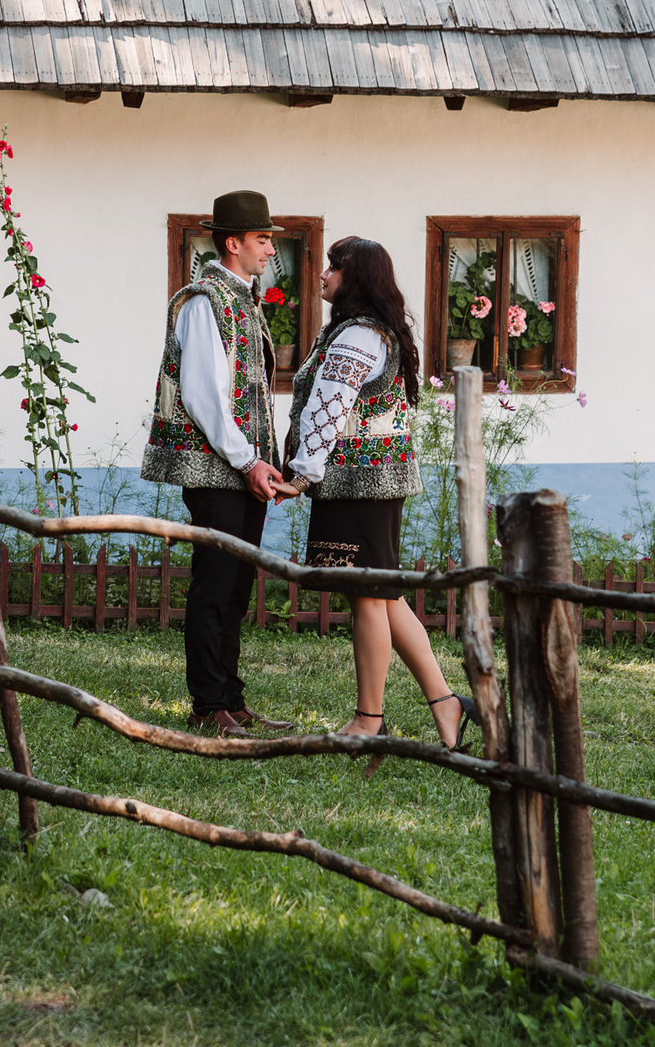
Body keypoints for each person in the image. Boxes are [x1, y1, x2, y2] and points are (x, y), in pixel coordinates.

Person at [286, 236, 477, 747]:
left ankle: (369, 719)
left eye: (334, 267)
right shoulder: (370, 332)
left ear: (358, 279)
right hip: (373, 480)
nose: (324, 275)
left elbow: (329, 406)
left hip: (358, 482)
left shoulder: (357, 336)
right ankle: (446, 703)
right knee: (384, 595)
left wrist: (302, 472)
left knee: (369, 598)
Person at [138, 189, 298, 737]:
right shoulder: (204, 300)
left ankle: (229, 695)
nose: (269, 251)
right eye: (261, 240)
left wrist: (259, 462)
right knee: (214, 582)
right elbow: (205, 395)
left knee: (237, 583)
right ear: (233, 243)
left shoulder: (243, 298)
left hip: (243, 468)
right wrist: (248, 460)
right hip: (218, 469)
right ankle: (208, 703)